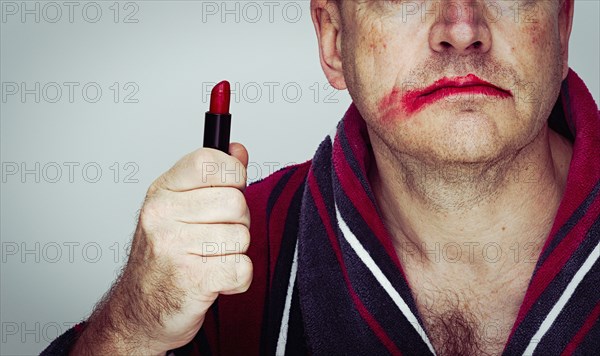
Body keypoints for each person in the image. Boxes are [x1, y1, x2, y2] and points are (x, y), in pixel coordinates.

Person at [43, 0, 599, 355]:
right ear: (334, 40)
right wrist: (130, 330)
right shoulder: (232, 265)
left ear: (562, 25)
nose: (460, 28)